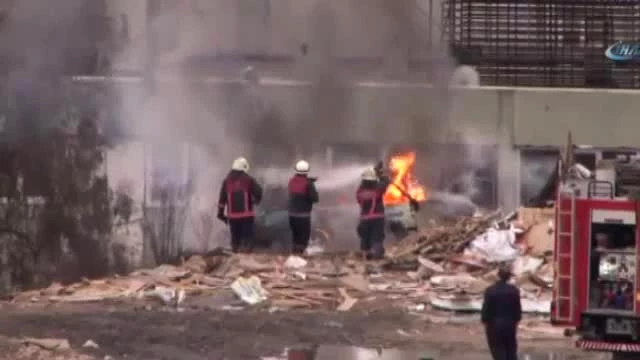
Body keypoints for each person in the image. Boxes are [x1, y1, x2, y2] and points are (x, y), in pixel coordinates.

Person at [217, 157, 263, 253]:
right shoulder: (249, 180)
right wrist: (256, 200)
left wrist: (220, 214)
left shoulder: (227, 181)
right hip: (247, 216)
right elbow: (259, 191)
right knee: (247, 239)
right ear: (244, 168)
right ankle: (246, 257)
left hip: (232, 216)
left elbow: (222, 200)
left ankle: (235, 255)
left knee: (235, 238)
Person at [481, 265, 522, 360]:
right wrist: (516, 320)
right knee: (511, 349)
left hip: (494, 325)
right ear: (509, 277)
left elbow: (486, 308)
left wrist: (484, 320)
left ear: (498, 275)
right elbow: (517, 309)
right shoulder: (514, 290)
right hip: (510, 324)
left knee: (497, 349)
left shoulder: (490, 290)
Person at [356, 164, 391, 260]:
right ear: (374, 180)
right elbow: (386, 182)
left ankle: (366, 256)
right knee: (377, 237)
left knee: (365, 237)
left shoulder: (360, 192)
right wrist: (379, 174)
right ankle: (377, 256)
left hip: (364, 219)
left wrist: (374, 172)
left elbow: (363, 184)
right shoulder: (377, 190)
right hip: (377, 218)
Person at [287, 160, 319, 254]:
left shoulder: (291, 181)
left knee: (295, 237)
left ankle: (294, 254)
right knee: (303, 238)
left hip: (292, 215)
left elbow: (299, 184)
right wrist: (311, 184)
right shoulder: (308, 184)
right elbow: (315, 198)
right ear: (307, 171)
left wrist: (310, 181)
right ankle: (300, 255)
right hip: (303, 216)